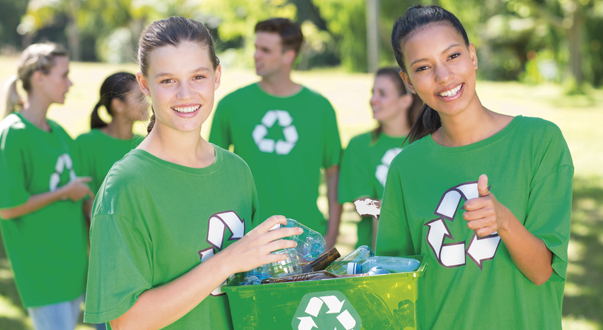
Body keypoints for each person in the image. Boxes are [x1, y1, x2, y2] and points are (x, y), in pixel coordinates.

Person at [83, 16, 302, 330]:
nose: (185, 94)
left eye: (198, 77)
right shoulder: (126, 186)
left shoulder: (236, 170)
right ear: (144, 84)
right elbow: (127, 322)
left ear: (216, 76)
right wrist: (228, 260)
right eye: (168, 80)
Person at [376, 5, 572, 330]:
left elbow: (542, 272)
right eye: (423, 67)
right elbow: (395, 288)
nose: (443, 76)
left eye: (453, 56)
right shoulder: (405, 168)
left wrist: (503, 221)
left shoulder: (539, 141)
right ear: (408, 82)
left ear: (473, 56)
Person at [209, 18, 343, 249]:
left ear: (288, 56)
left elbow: (333, 173)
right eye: (256, 48)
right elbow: (211, 172)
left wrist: (331, 235)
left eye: (265, 50)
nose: (256, 55)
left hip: (306, 236)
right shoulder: (231, 105)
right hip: (248, 238)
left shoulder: (320, 108)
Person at [0, 43, 94, 330]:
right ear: (39, 77)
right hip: (44, 274)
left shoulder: (59, 132)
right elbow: (8, 208)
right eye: (64, 74)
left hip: (73, 268)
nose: (70, 83)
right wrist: (64, 192)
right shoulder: (13, 133)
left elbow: (78, 188)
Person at [338, 67, 422, 250]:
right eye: (372, 93)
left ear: (406, 100)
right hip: (374, 257)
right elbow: (361, 206)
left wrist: (382, 206)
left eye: (382, 94)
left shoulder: (427, 143)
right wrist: (400, 208)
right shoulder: (359, 145)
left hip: (422, 253)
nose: (372, 100)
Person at [76, 72, 148, 226]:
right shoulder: (86, 143)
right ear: (118, 105)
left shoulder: (146, 144)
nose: (147, 103)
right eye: (139, 98)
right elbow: (85, 203)